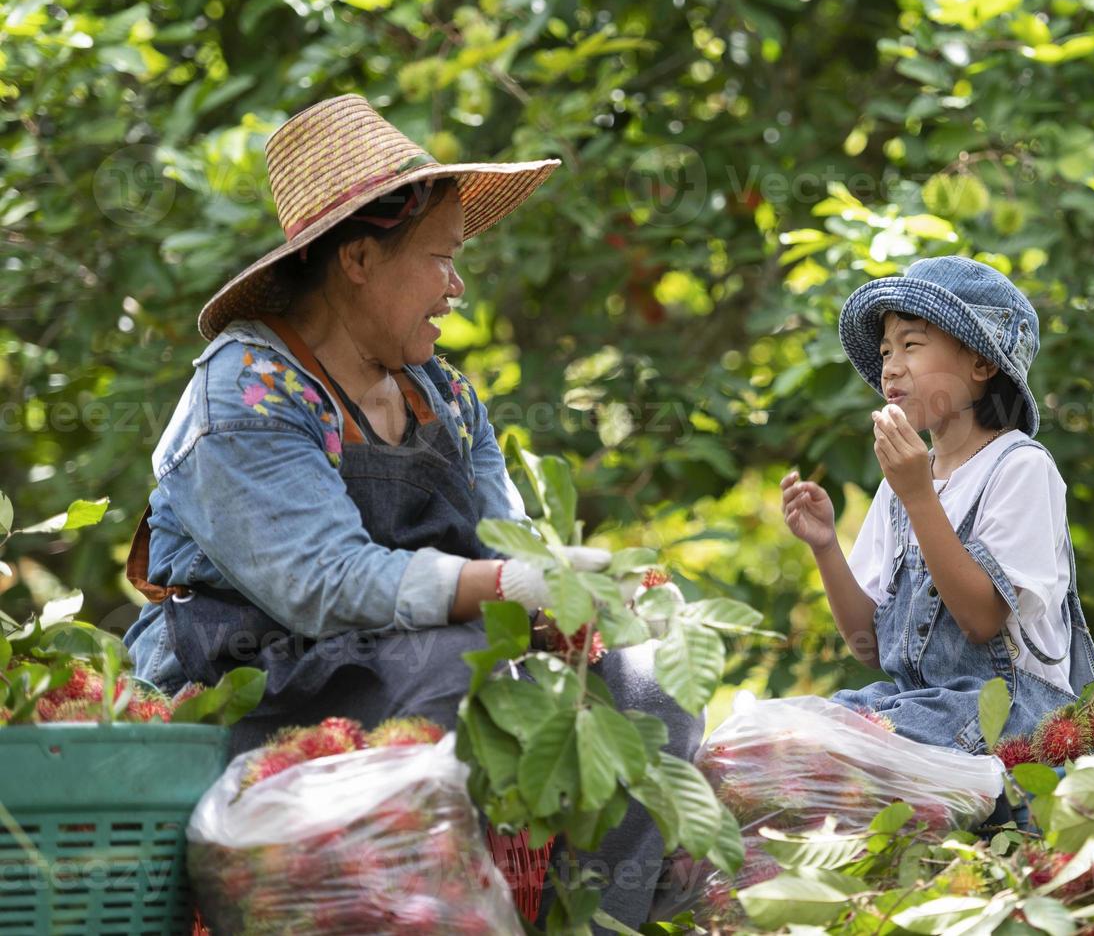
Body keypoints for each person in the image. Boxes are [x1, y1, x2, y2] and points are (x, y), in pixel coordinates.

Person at [121, 94, 696, 930]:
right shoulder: (243, 391)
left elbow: (509, 545)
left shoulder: (445, 397)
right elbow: (324, 583)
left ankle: (599, 920)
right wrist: (515, 583)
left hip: (414, 656)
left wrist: (576, 600)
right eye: (442, 258)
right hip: (254, 678)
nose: (456, 288)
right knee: (454, 674)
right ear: (357, 258)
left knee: (647, 677)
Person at [780, 255, 1094, 754]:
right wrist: (825, 545)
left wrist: (917, 495)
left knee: (838, 749)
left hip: (1003, 711)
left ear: (981, 364)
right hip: (920, 702)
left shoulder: (1019, 467)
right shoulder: (904, 483)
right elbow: (866, 642)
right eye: (886, 351)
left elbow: (981, 620)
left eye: (911, 345)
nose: (891, 366)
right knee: (786, 734)